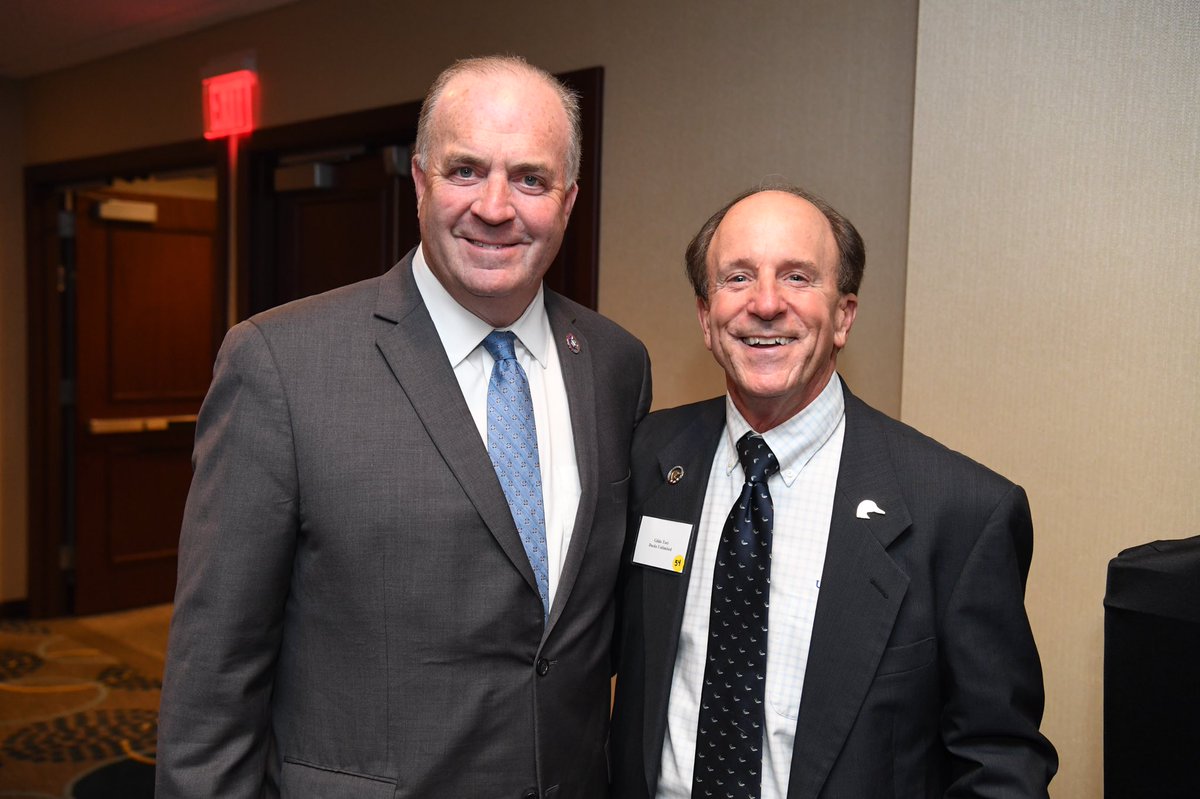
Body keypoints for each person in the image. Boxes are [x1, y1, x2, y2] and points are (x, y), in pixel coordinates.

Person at [156, 55, 651, 799]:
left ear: (570, 198)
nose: (494, 205)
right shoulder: (280, 364)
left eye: (530, 178)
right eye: (464, 171)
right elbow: (214, 677)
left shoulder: (615, 364)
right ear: (419, 181)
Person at [610, 186, 1057, 798]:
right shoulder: (644, 462)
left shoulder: (960, 512)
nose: (765, 304)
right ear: (705, 318)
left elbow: (1000, 761)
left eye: (797, 277)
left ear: (844, 315)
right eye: (738, 278)